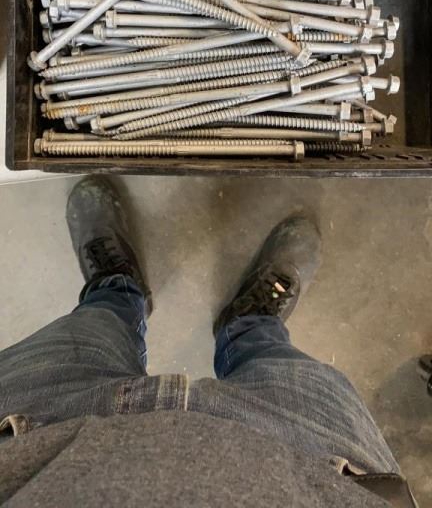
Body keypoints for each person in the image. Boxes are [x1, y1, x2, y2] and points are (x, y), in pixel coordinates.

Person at [0, 177, 415, 507]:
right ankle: (252, 325)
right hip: (317, 469)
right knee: (278, 361)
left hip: (33, 430)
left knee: (94, 327)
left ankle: (116, 291)